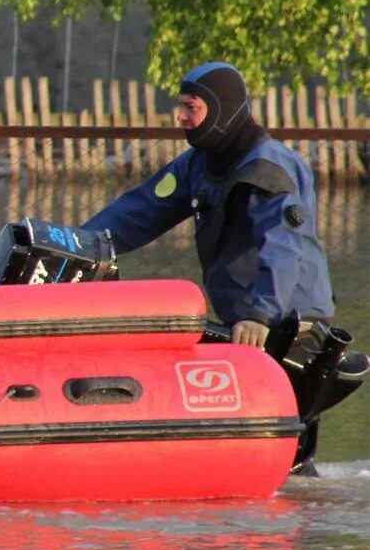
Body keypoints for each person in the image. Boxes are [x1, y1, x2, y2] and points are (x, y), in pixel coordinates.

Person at [82, 61, 333, 346]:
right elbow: (138, 212)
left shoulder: (266, 169)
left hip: (287, 327)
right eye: (181, 106)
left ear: (221, 109)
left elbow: (282, 247)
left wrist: (262, 314)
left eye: (192, 107)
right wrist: (78, 247)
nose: (181, 117)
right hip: (244, 326)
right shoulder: (197, 163)